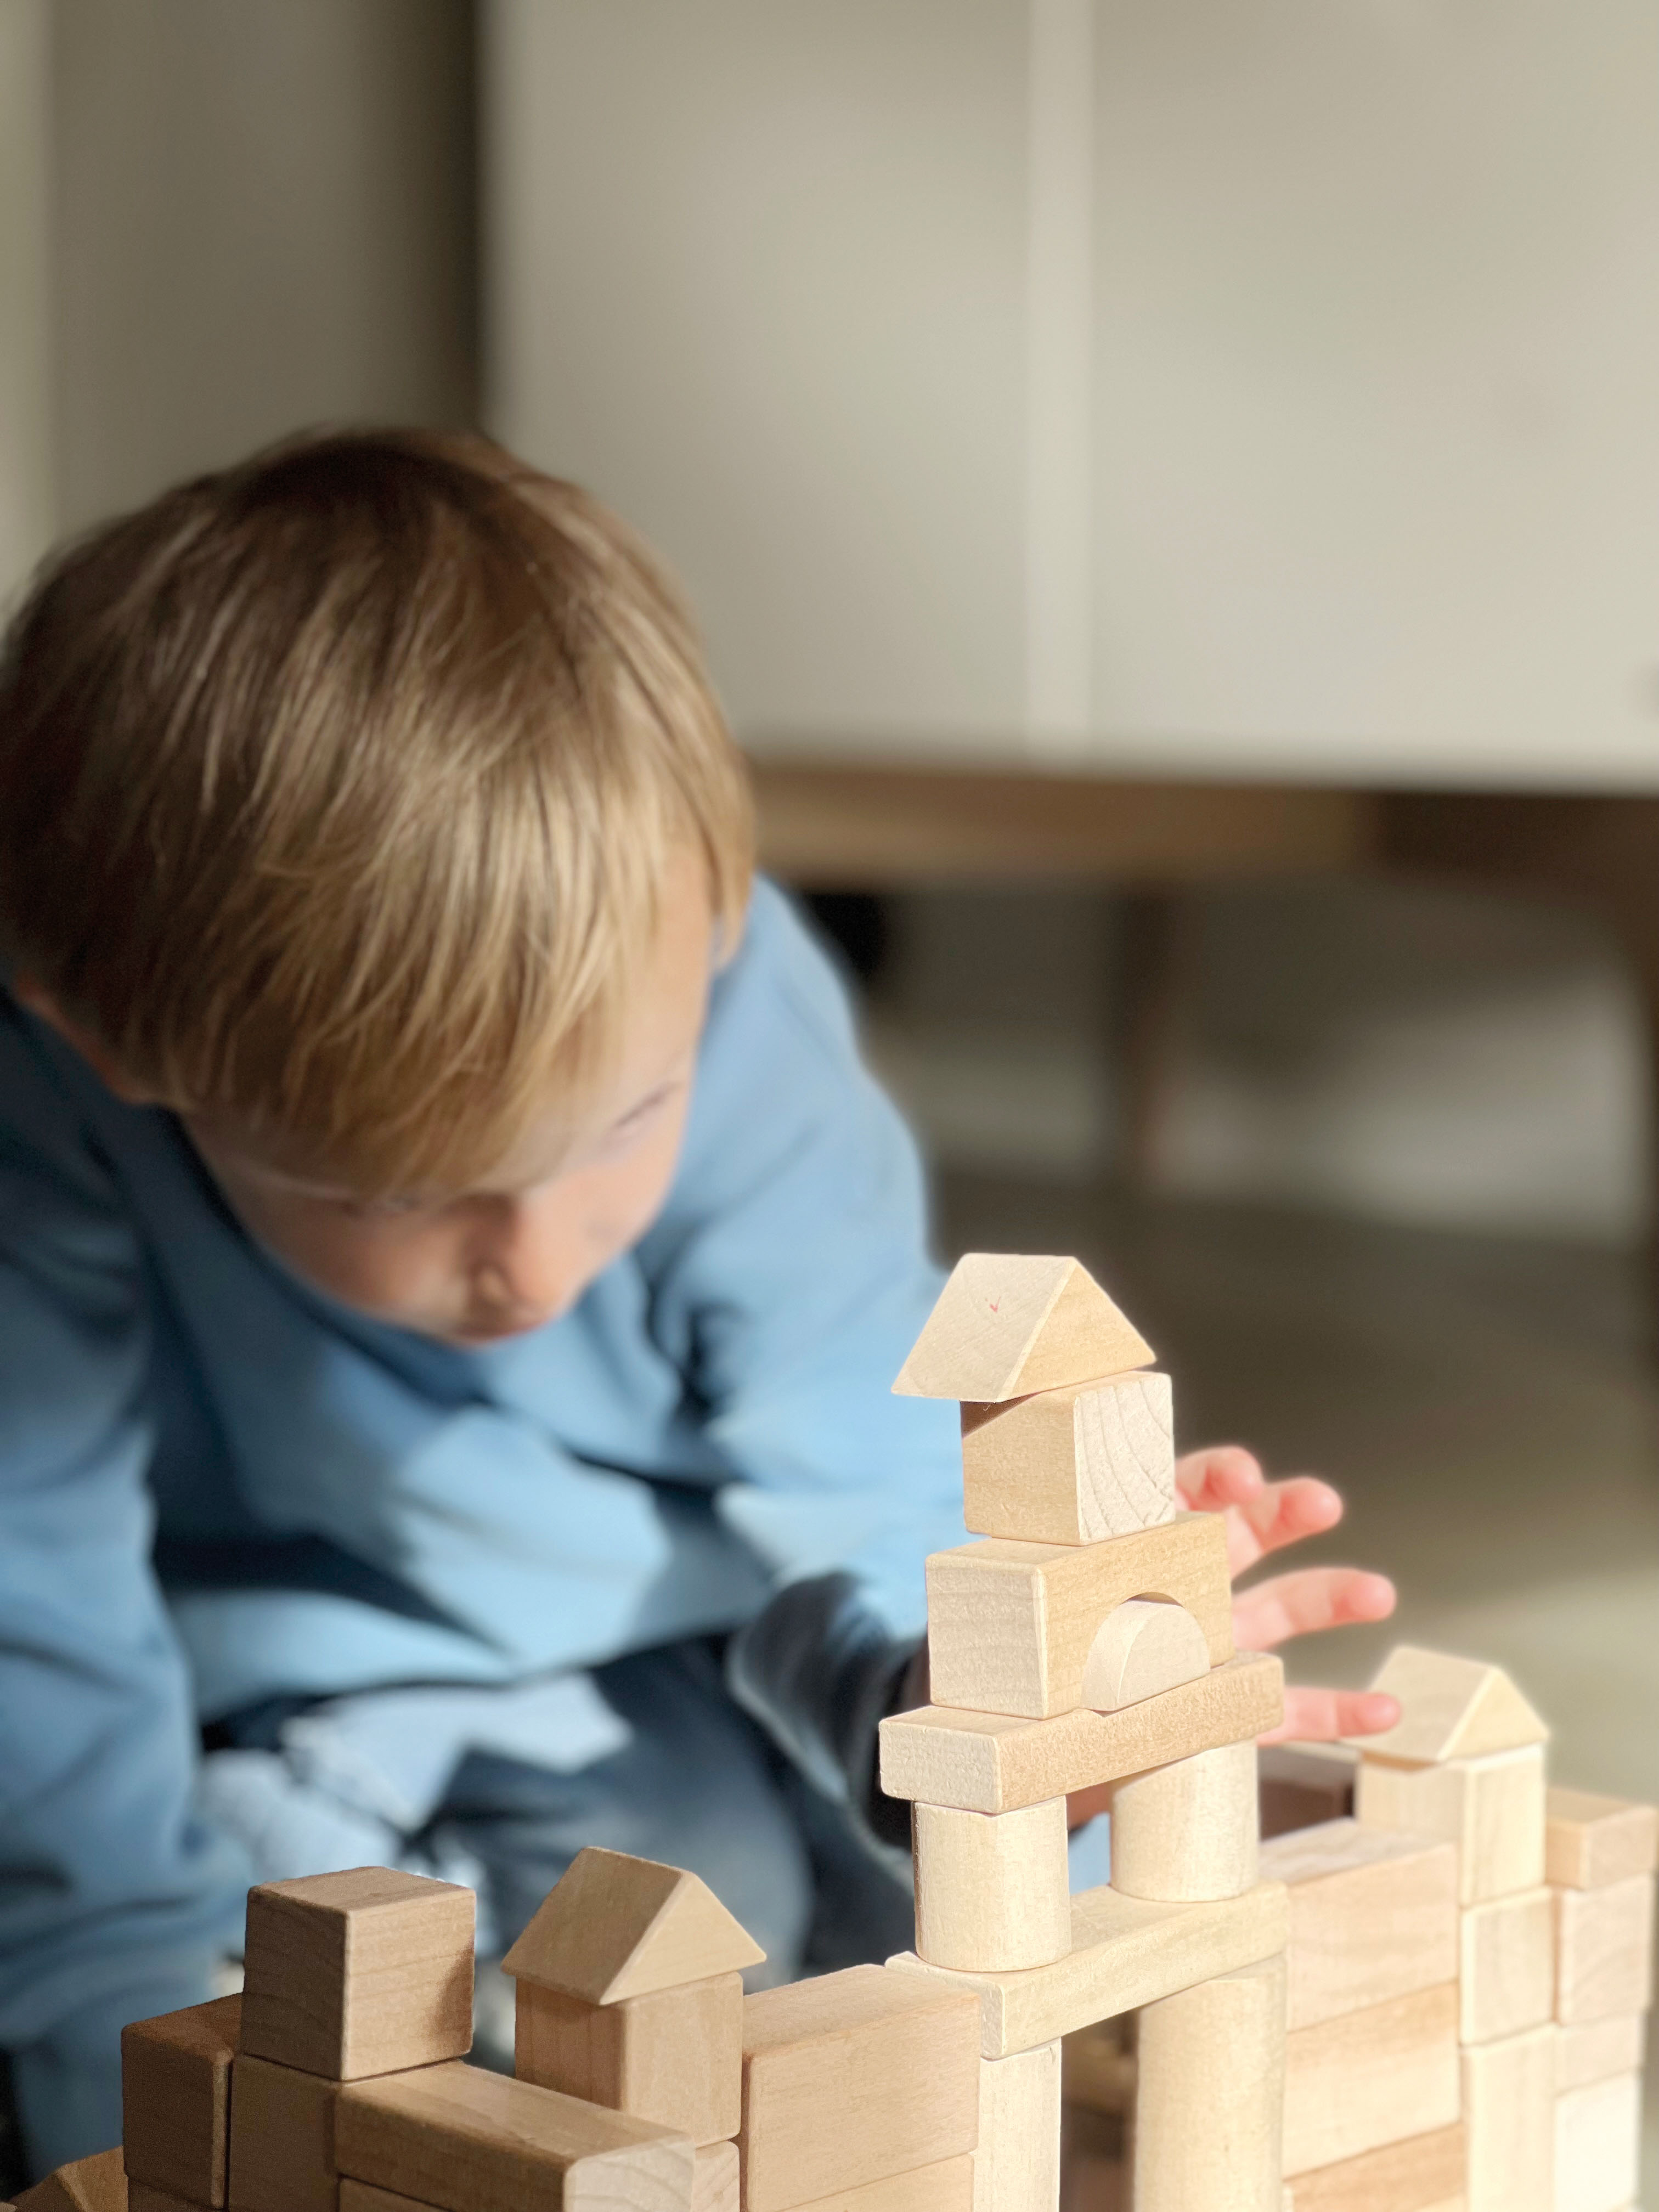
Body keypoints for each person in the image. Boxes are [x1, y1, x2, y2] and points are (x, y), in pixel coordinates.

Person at [0, 429, 1398, 2174]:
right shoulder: (50, 1103)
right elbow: (37, 1604)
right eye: (393, 1195)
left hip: (674, 1661)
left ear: (717, 930)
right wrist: (118, 2074)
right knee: (312, 1989)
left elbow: (866, 1494)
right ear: (106, 1045)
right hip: (270, 1694)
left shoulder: (740, 1018)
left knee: (748, 1935)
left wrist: (1018, 1737)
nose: (529, 1257)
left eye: (624, 1126)